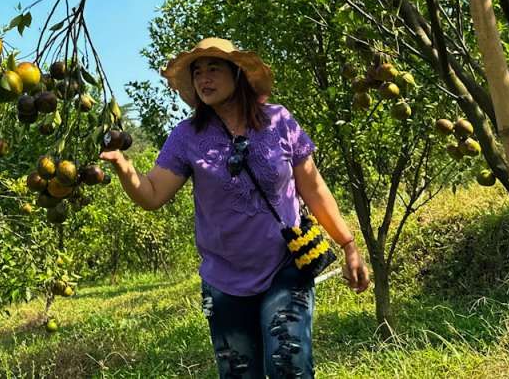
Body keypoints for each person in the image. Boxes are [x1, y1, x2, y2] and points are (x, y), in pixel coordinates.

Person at [100, 38, 369, 379]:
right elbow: (152, 194)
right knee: (239, 374)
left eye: (214, 68)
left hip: (285, 266)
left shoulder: (278, 121)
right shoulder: (186, 137)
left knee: (289, 366)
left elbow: (313, 188)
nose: (203, 78)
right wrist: (125, 168)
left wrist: (348, 245)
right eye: (197, 72)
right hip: (224, 278)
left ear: (238, 74)